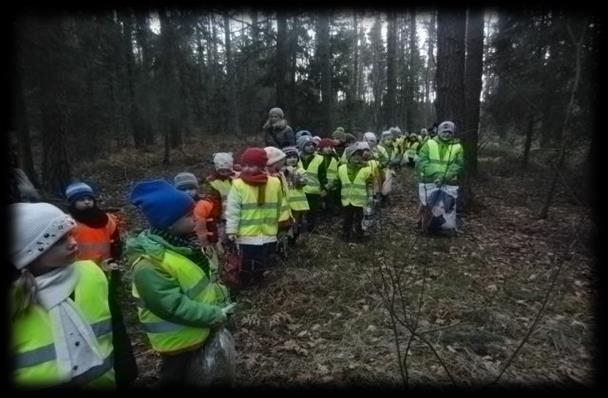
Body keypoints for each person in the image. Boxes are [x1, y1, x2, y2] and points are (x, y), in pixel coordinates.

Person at [126, 180, 234, 387]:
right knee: (175, 379)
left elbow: (203, 283)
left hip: (198, 329)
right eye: (188, 215)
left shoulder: (183, 245)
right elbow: (171, 305)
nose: (196, 217)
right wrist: (214, 315)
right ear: (169, 222)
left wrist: (223, 300)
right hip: (177, 341)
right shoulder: (150, 265)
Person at [10, 202, 116, 388]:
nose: (73, 242)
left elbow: (115, 329)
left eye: (70, 234)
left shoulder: (92, 273)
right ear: (29, 252)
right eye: (59, 241)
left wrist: (128, 371)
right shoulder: (16, 298)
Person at [64, 182, 138, 387]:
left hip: (106, 270)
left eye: (89, 198)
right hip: (79, 276)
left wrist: (115, 254)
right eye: (81, 200)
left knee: (110, 309)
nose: (86, 202)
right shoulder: (69, 223)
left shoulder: (106, 219)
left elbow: (115, 239)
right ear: (72, 203)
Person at [225, 148, 289, 285]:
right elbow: (233, 209)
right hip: (246, 233)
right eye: (245, 165)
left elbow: (279, 204)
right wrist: (231, 230)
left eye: (252, 165)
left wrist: (280, 222)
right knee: (247, 260)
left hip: (268, 231)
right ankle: (245, 281)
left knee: (262, 259)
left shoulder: (274, 183)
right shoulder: (238, 184)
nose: (247, 169)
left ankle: (260, 280)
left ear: (261, 166)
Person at [416, 121, 464, 229]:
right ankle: (422, 223)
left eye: (449, 132)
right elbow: (421, 162)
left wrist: (445, 176)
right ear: (439, 132)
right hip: (429, 180)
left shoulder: (458, 147)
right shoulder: (429, 143)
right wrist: (436, 175)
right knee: (427, 203)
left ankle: (442, 225)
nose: (446, 134)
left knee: (446, 205)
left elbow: (458, 165)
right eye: (444, 131)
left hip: (448, 182)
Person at [337, 143, 374, 242]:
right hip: (346, 200)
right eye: (354, 155)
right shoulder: (341, 169)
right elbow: (337, 182)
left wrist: (370, 196)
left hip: (360, 200)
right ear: (349, 157)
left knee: (360, 220)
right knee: (347, 220)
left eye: (359, 155)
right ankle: (345, 235)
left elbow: (369, 183)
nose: (357, 157)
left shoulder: (366, 169)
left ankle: (359, 236)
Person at [296, 136, 327, 233]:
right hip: (299, 190)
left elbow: (323, 175)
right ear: (301, 147)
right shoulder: (296, 157)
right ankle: (299, 228)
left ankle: (311, 228)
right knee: (299, 211)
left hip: (314, 191)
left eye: (312, 145)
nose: (311, 147)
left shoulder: (320, 159)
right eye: (307, 145)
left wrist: (324, 188)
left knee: (312, 211)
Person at [281, 146, 309, 245]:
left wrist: (293, 174)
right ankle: (285, 242)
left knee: (296, 223)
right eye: (289, 157)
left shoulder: (301, 170)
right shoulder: (280, 172)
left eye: (294, 157)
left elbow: (304, 183)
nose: (292, 159)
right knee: (285, 223)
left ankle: (293, 240)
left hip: (298, 204)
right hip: (285, 204)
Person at [318, 138, 340, 217]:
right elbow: (319, 173)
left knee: (331, 201)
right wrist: (324, 186)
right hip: (321, 184)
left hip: (332, 185)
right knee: (321, 201)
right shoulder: (317, 158)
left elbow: (338, 171)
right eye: (326, 147)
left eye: (331, 147)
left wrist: (332, 184)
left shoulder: (335, 158)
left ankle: (331, 215)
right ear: (321, 147)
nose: (329, 149)